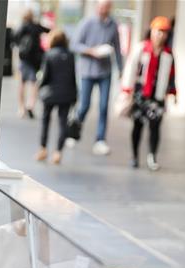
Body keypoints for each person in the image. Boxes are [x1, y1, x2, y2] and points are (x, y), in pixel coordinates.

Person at [122, 17, 175, 171]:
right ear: (152, 31)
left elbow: (172, 75)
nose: (161, 35)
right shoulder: (141, 48)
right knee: (137, 126)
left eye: (164, 32)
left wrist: (172, 92)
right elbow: (130, 69)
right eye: (159, 31)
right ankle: (134, 156)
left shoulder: (168, 53)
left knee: (155, 127)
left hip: (157, 96)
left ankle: (152, 156)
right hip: (140, 95)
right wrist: (127, 90)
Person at [71, 0, 122, 156]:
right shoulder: (87, 23)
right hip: (87, 71)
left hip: (105, 72)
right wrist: (91, 51)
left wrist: (121, 69)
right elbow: (74, 45)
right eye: (100, 6)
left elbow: (117, 48)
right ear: (96, 7)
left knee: (104, 106)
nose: (103, 9)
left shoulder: (113, 25)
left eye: (106, 6)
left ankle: (100, 140)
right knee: (84, 105)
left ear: (110, 8)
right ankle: (73, 131)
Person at [35, 30, 76, 165]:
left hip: (50, 94)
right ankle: (58, 152)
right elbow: (73, 76)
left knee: (45, 121)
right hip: (66, 93)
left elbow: (45, 76)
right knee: (63, 122)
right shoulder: (70, 55)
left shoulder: (49, 55)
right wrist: (75, 94)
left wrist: (39, 87)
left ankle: (43, 149)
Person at [14, 9, 49, 119]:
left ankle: (21, 108)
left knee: (22, 83)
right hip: (35, 60)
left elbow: (15, 38)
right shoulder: (36, 26)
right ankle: (31, 105)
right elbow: (48, 30)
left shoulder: (22, 27)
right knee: (34, 84)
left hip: (24, 59)